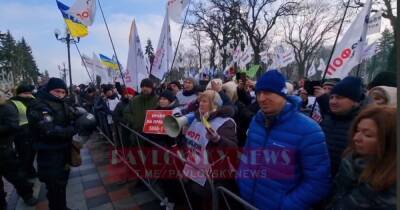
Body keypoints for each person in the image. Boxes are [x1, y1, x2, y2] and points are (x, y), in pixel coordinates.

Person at [237, 70, 331, 210]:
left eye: (268, 92)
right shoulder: (257, 121)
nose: (261, 98)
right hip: (247, 202)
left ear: (283, 94)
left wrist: (286, 205)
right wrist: (242, 180)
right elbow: (248, 155)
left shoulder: (309, 130)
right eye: (258, 93)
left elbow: (318, 182)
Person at [326, 106, 396, 209]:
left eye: (367, 135)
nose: (356, 138)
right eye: (357, 130)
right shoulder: (350, 160)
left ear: (390, 141)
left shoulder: (392, 186)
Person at [181, 90, 238, 210]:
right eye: (200, 101)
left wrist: (218, 139)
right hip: (193, 169)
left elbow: (233, 148)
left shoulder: (226, 122)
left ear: (215, 104)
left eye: (205, 101)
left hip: (212, 175)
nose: (200, 104)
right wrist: (184, 135)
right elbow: (190, 144)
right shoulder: (197, 119)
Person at [27, 78, 77, 210]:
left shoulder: (61, 102)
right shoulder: (39, 105)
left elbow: (70, 117)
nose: (60, 94)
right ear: (49, 90)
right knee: (54, 187)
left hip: (63, 150)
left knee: (61, 185)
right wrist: (72, 130)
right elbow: (48, 130)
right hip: (49, 154)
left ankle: (62, 207)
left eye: (63, 92)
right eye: (57, 91)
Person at [0, 90, 38, 208]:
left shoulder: (6, 107)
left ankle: (27, 195)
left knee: (17, 176)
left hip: (4, 150)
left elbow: (12, 126)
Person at [320, 76, 364, 176]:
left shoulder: (361, 124)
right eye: (331, 97)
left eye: (339, 98)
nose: (333, 101)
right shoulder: (327, 118)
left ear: (355, 101)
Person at [8, 83, 37, 178]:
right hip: (21, 132)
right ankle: (25, 174)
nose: (28, 95)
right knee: (24, 154)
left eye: (29, 92)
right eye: (26, 93)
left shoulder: (33, 99)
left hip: (33, 130)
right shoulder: (12, 102)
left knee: (31, 153)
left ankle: (30, 171)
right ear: (20, 93)